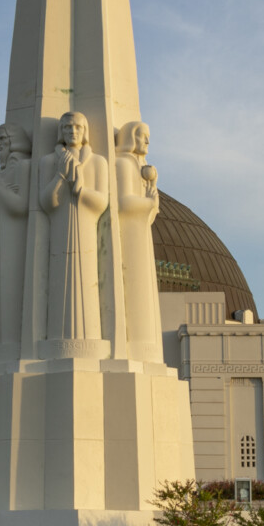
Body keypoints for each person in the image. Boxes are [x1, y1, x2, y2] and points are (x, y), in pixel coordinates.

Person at [39, 111, 108, 341]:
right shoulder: (49, 162)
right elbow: (46, 202)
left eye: (78, 127)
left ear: (85, 131)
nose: (73, 131)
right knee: (59, 284)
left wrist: (81, 191)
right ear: (61, 131)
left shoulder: (97, 162)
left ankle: (88, 337)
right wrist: (60, 176)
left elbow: (102, 201)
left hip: (87, 228)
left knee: (88, 282)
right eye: (67, 127)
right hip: (59, 229)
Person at [115, 121, 163, 359]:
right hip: (130, 236)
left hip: (141, 233)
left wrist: (151, 193)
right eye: (143, 135)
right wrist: (148, 202)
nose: (147, 141)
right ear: (131, 137)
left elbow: (151, 208)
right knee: (133, 284)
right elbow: (123, 202)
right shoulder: (123, 164)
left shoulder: (140, 167)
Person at [0, 122, 32, 351]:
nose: (0, 148)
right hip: (4, 235)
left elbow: (21, 206)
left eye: (3, 142)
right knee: (2, 288)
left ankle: (10, 343)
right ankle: (4, 344)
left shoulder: (23, 167)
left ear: (14, 143)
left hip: (16, 238)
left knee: (11, 285)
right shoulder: (5, 174)